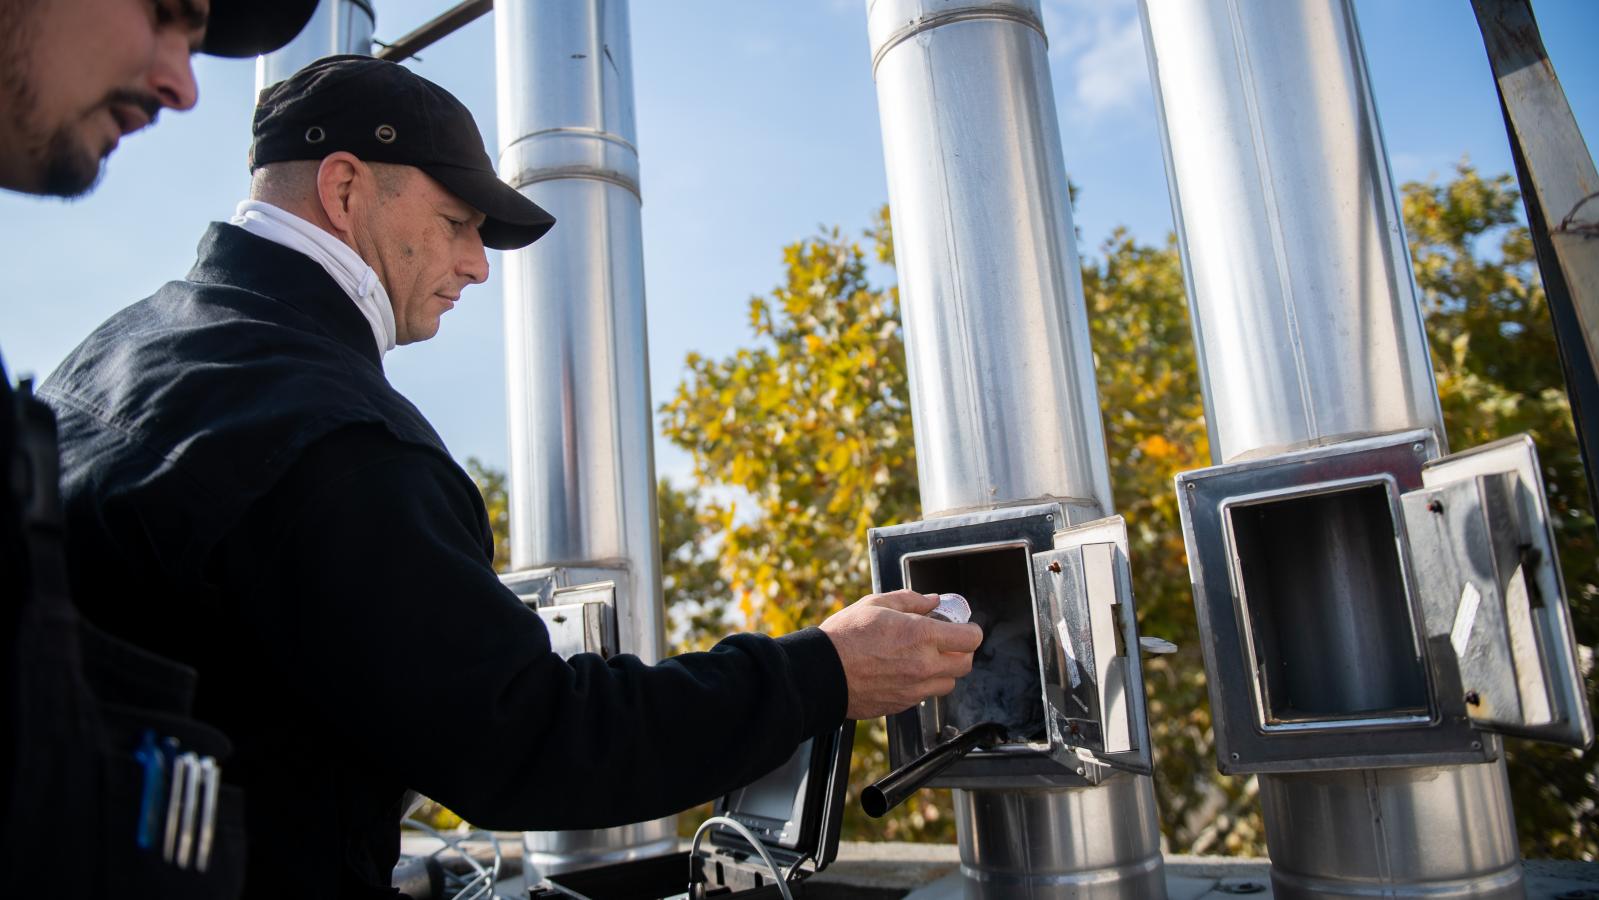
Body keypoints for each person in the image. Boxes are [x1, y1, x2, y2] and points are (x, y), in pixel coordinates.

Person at [40, 55, 983, 898]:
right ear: (344, 187)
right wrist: (823, 671)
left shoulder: (109, 356)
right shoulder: (333, 436)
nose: (475, 267)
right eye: (457, 223)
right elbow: (531, 742)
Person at [0, 1, 319, 896]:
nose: (184, 86)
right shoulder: (324, 417)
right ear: (343, 190)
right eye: (165, 11)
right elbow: (508, 736)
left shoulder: (100, 355)